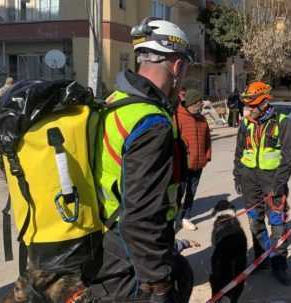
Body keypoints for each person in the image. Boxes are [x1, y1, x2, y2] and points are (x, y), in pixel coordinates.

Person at [90, 17, 194, 302]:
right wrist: (157, 282)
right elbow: (141, 215)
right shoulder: (152, 122)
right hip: (128, 257)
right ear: (177, 66)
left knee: (184, 273)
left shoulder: (115, 102)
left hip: (103, 239)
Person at [233, 81, 291, 286]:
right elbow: (239, 152)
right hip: (249, 180)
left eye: (252, 106)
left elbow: (288, 158)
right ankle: (261, 260)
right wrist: (238, 176)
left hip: (273, 181)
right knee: (254, 220)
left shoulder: (284, 123)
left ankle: (279, 264)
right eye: (248, 106)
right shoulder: (245, 123)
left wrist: (279, 184)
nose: (249, 110)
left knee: (277, 222)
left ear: (265, 103)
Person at [175, 88, 212, 231]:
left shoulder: (202, 119)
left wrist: (207, 156)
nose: (201, 105)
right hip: (182, 165)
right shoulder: (178, 117)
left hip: (198, 164)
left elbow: (207, 139)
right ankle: (175, 218)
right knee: (179, 193)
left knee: (192, 191)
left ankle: (185, 217)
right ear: (190, 103)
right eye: (198, 103)